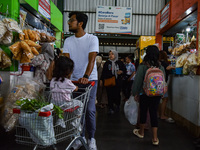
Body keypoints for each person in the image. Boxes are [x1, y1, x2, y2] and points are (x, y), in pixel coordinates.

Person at [63, 11, 99, 150]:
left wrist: (86, 76)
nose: (69, 23)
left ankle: (92, 138)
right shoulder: (68, 41)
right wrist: (66, 78)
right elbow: (67, 62)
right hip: (74, 82)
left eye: (71, 20)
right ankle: (80, 136)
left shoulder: (92, 39)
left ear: (80, 23)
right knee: (78, 110)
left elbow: (92, 59)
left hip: (90, 80)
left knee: (89, 110)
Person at [132, 45, 166, 146]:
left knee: (143, 112)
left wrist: (135, 93)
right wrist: (163, 93)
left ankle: (141, 133)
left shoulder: (143, 66)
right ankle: (155, 138)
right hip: (156, 94)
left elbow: (138, 82)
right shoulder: (160, 67)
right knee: (153, 114)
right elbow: (164, 81)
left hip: (144, 94)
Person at [50, 56, 82, 128]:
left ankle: (60, 120)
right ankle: (76, 122)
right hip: (65, 104)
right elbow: (75, 89)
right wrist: (76, 86)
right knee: (80, 104)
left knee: (60, 107)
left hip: (54, 103)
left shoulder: (53, 80)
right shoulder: (67, 82)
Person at [100, 50, 126, 114]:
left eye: (112, 54)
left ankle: (117, 106)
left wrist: (121, 72)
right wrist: (101, 80)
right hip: (109, 82)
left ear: (115, 55)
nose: (110, 55)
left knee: (117, 94)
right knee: (109, 95)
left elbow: (124, 70)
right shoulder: (107, 63)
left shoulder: (120, 63)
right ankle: (111, 107)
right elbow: (103, 72)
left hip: (117, 82)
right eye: (109, 54)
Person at [159, 50, 175, 123]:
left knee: (158, 99)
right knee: (165, 99)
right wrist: (174, 67)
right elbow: (168, 68)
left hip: (157, 83)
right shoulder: (163, 62)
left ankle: (159, 114)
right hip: (162, 83)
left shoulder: (157, 62)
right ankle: (162, 115)